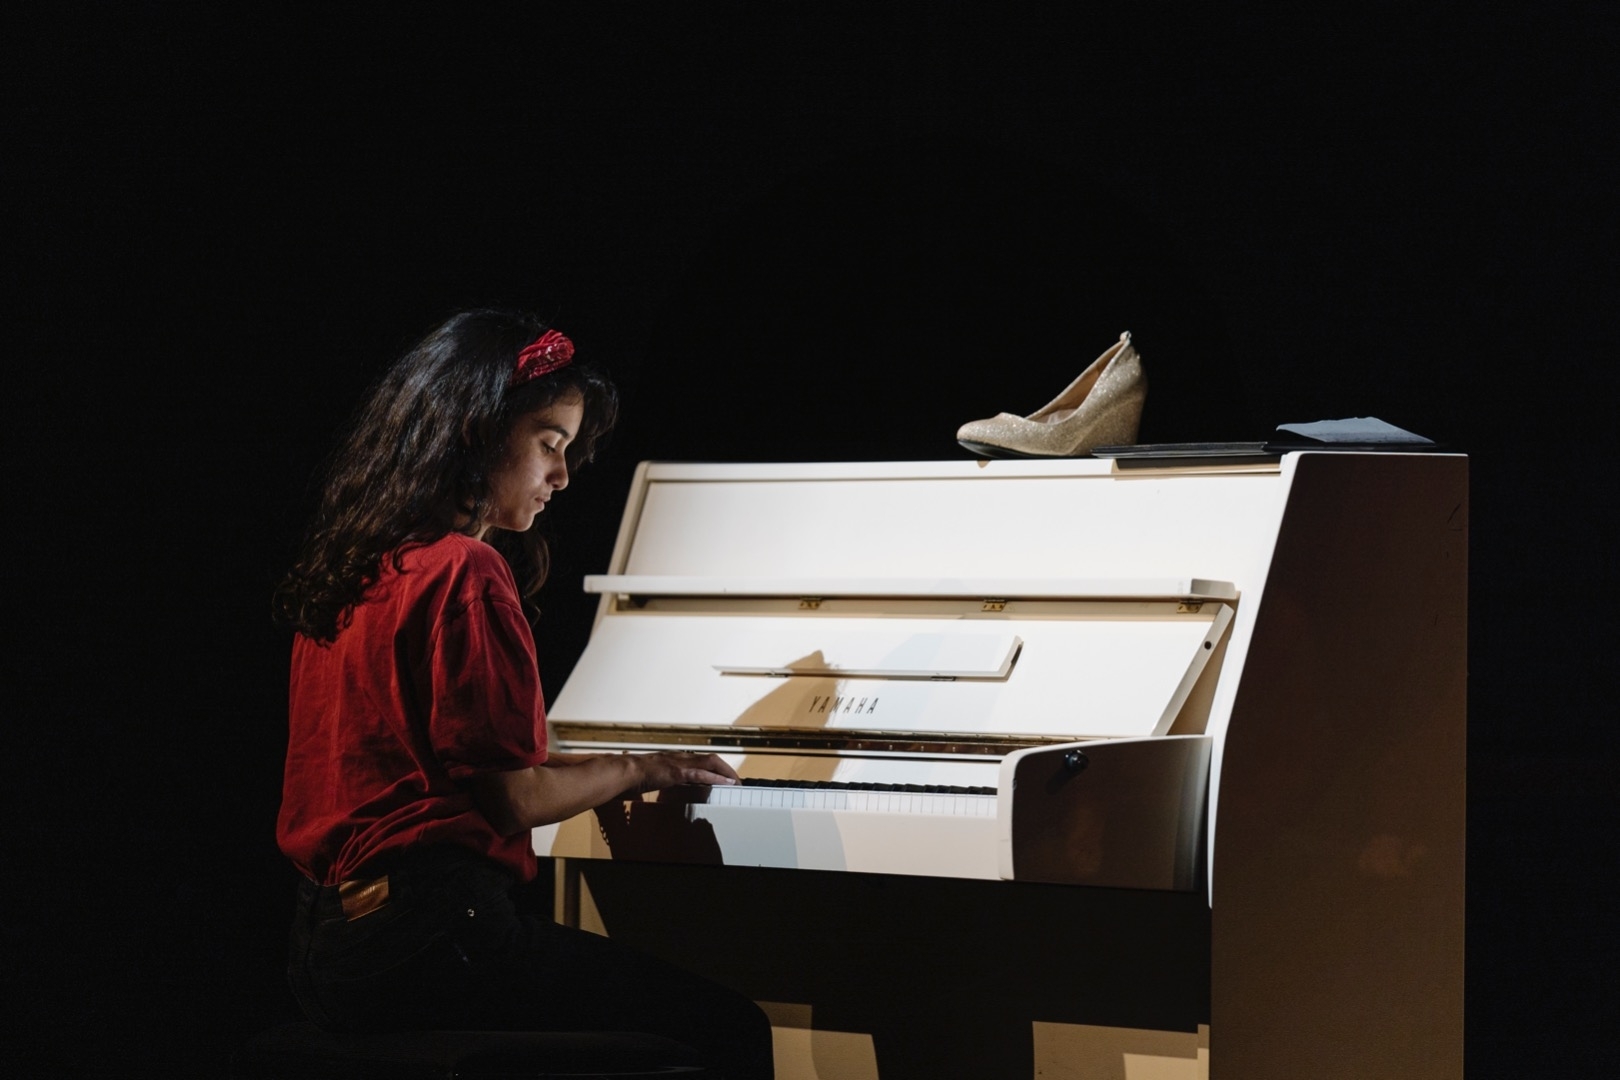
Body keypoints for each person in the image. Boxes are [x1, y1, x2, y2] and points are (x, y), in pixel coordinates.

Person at [270, 308, 775, 1079]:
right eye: (550, 443)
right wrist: (643, 768)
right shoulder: (466, 569)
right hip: (432, 941)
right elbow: (514, 800)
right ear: (477, 431)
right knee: (731, 1028)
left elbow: (430, 765)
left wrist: (602, 765)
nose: (562, 476)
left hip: (330, 946)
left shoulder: (362, 566)